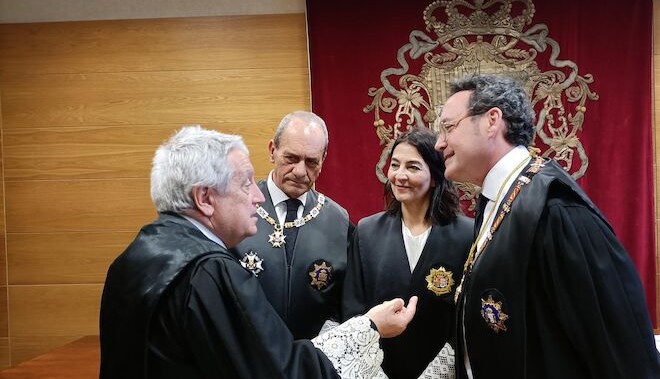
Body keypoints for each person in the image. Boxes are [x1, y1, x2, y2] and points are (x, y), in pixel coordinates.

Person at [99, 126, 417, 379]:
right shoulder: (209, 272)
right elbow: (280, 371)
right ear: (204, 198)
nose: (258, 196)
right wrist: (369, 327)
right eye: (245, 183)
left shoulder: (138, 253)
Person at [434, 74, 660, 379]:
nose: (439, 143)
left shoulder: (554, 210)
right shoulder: (499, 201)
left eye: (449, 127)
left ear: (492, 121)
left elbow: (621, 351)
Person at [343, 128, 473, 379]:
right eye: (395, 165)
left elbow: (468, 317)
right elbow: (352, 310)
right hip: (377, 370)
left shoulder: (466, 235)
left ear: (435, 177)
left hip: (443, 372)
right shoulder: (367, 232)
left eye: (412, 167)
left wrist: (438, 373)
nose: (399, 175)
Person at [230, 111, 354, 339]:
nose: (300, 171)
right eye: (291, 158)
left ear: (323, 160)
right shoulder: (235, 209)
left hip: (313, 353)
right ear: (272, 151)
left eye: (311, 162)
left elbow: (347, 300)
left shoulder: (338, 221)